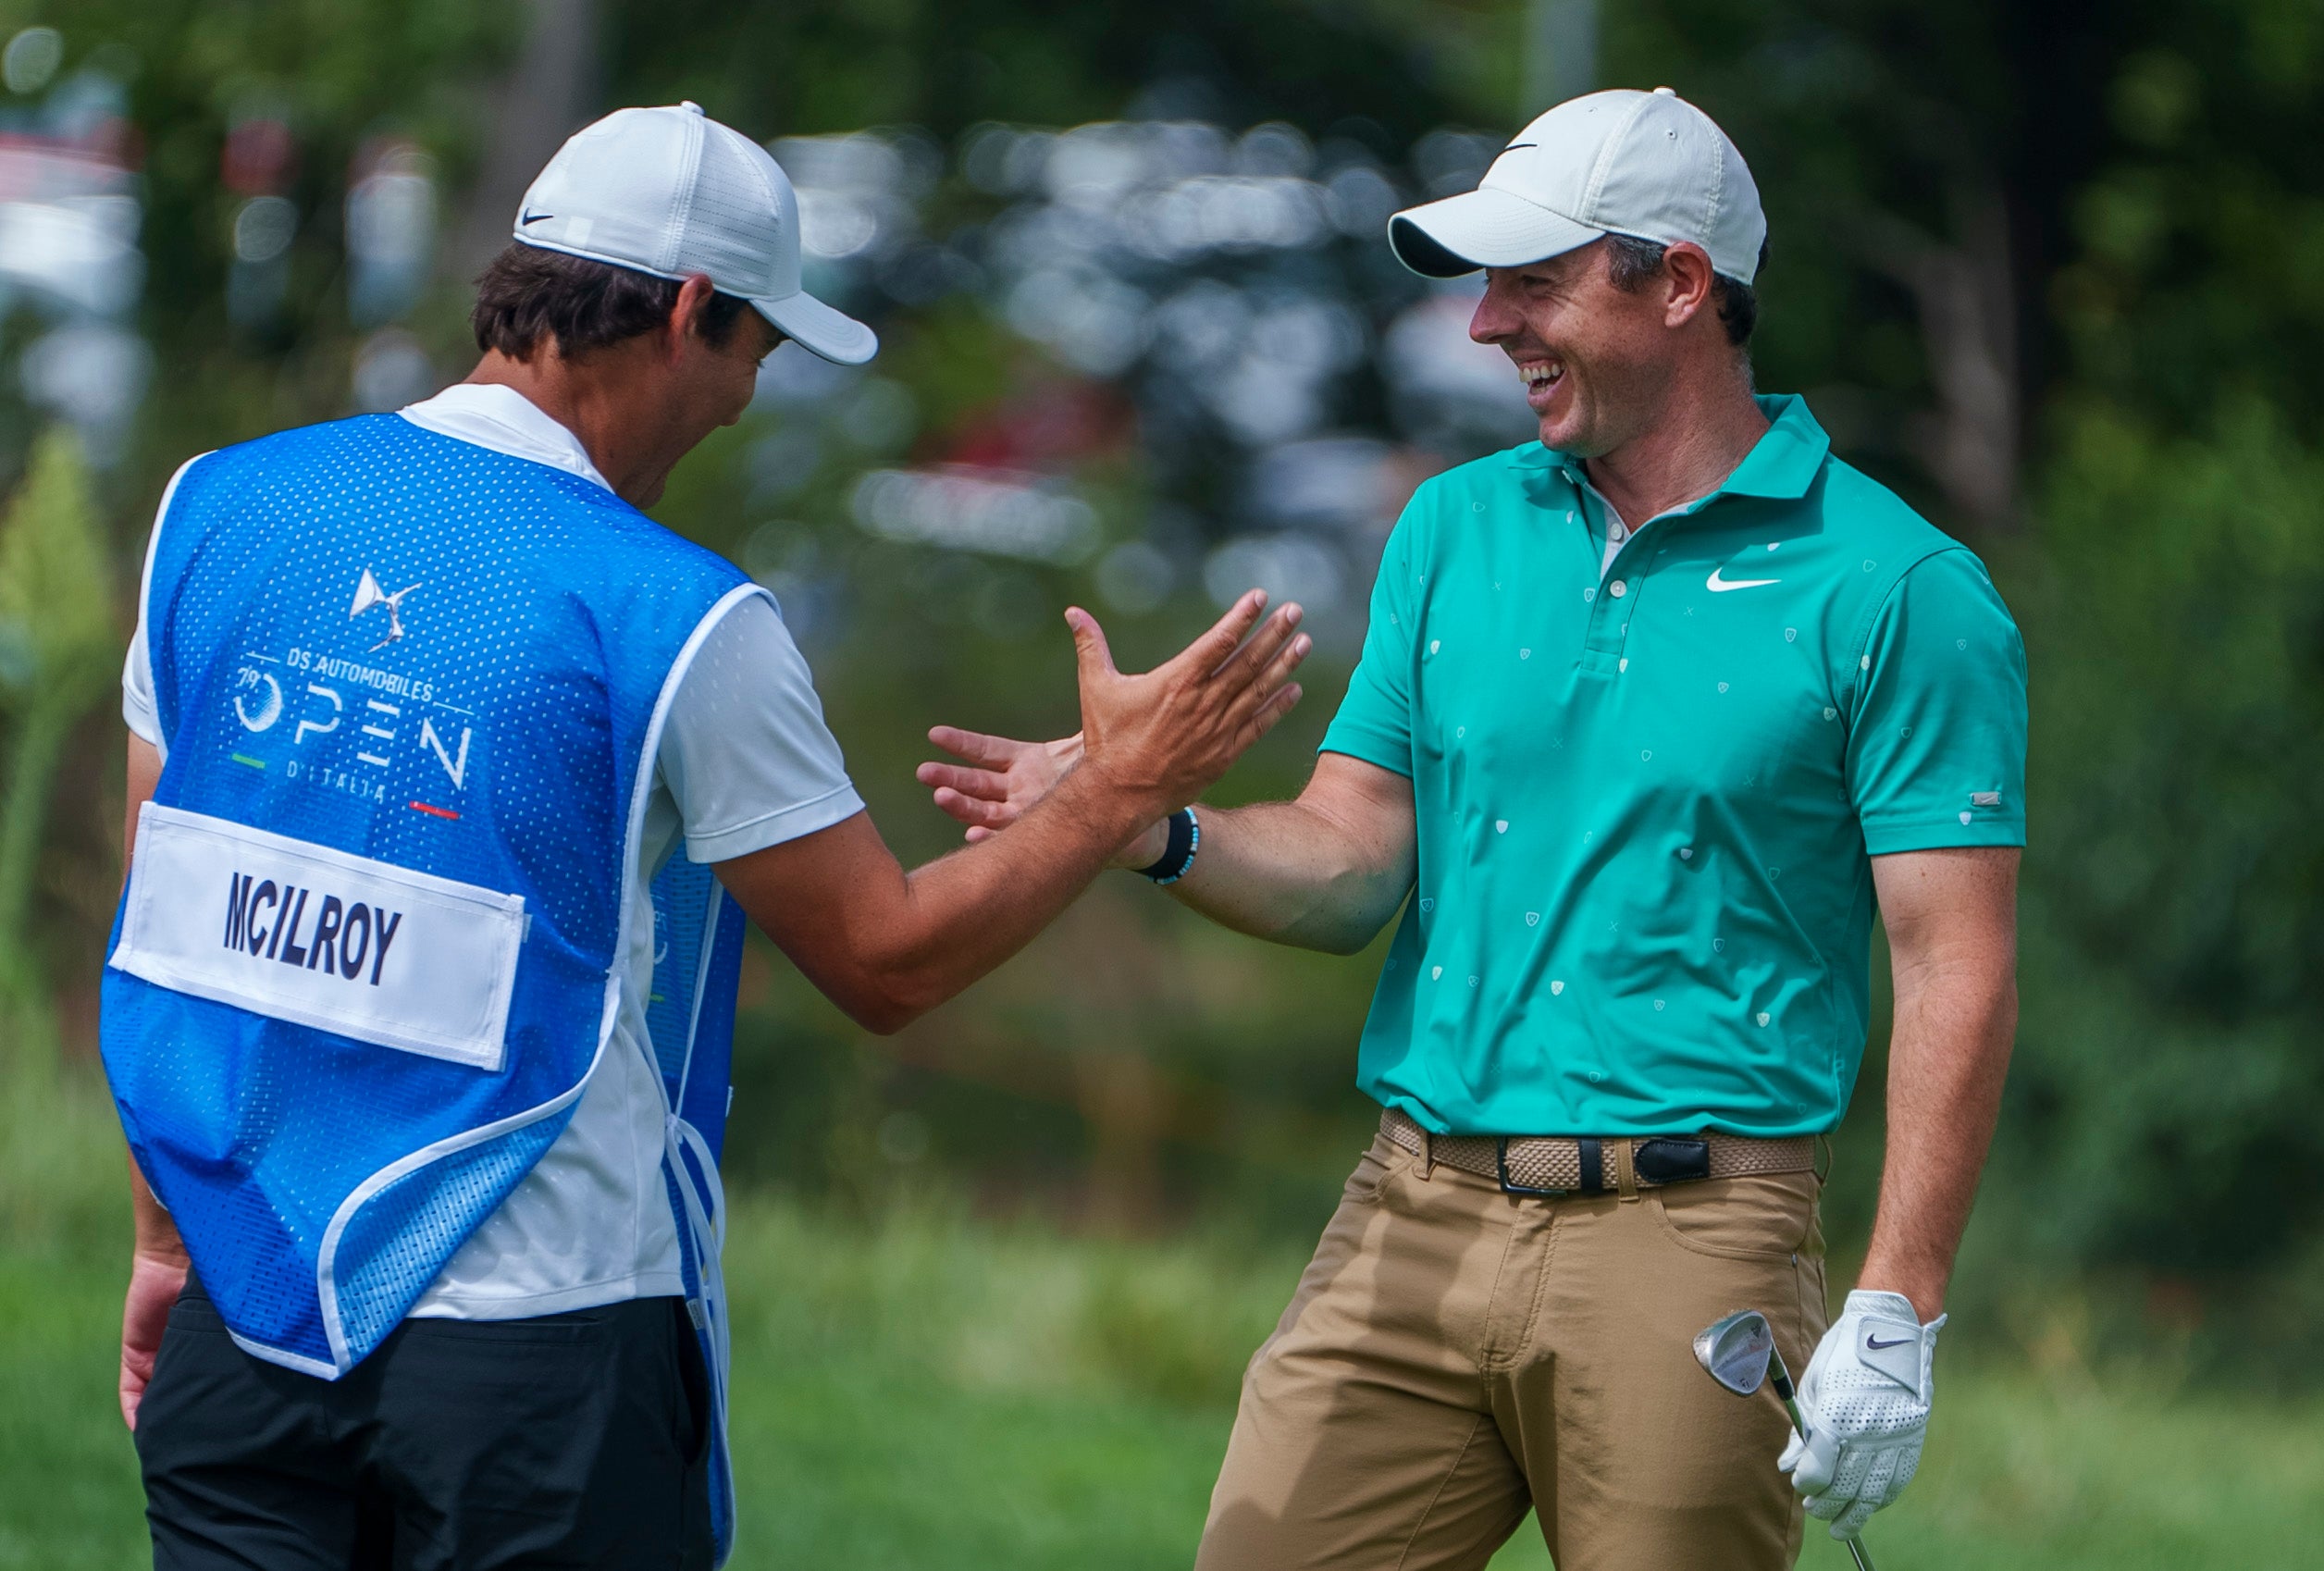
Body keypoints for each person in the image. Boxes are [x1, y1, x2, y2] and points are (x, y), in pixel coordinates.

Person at [104, 102, 1309, 1570]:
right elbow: (888, 961)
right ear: (689, 313)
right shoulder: (679, 612)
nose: (747, 394)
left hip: (249, 1303)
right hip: (541, 1353)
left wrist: (169, 1233)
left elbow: (172, 935)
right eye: (758, 347)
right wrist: (1120, 794)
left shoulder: (216, 504)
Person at [920, 86, 2025, 1570]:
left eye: (1534, 281)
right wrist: (1147, 824)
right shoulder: (1454, 527)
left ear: (1681, 284)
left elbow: (1952, 960)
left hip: (1695, 1243)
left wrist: (1899, 1299)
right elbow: (1352, 851)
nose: (1484, 324)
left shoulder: (1900, 587)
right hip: (1411, 1205)